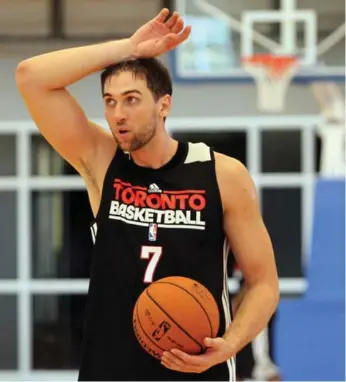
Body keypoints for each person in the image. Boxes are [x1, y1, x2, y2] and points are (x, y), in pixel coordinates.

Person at [16, 8, 279, 381]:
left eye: (132, 99)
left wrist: (231, 342)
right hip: (109, 369)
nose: (118, 113)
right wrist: (127, 48)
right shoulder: (102, 161)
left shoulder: (221, 174)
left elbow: (264, 282)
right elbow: (31, 77)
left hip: (197, 369)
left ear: (164, 104)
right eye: (109, 101)